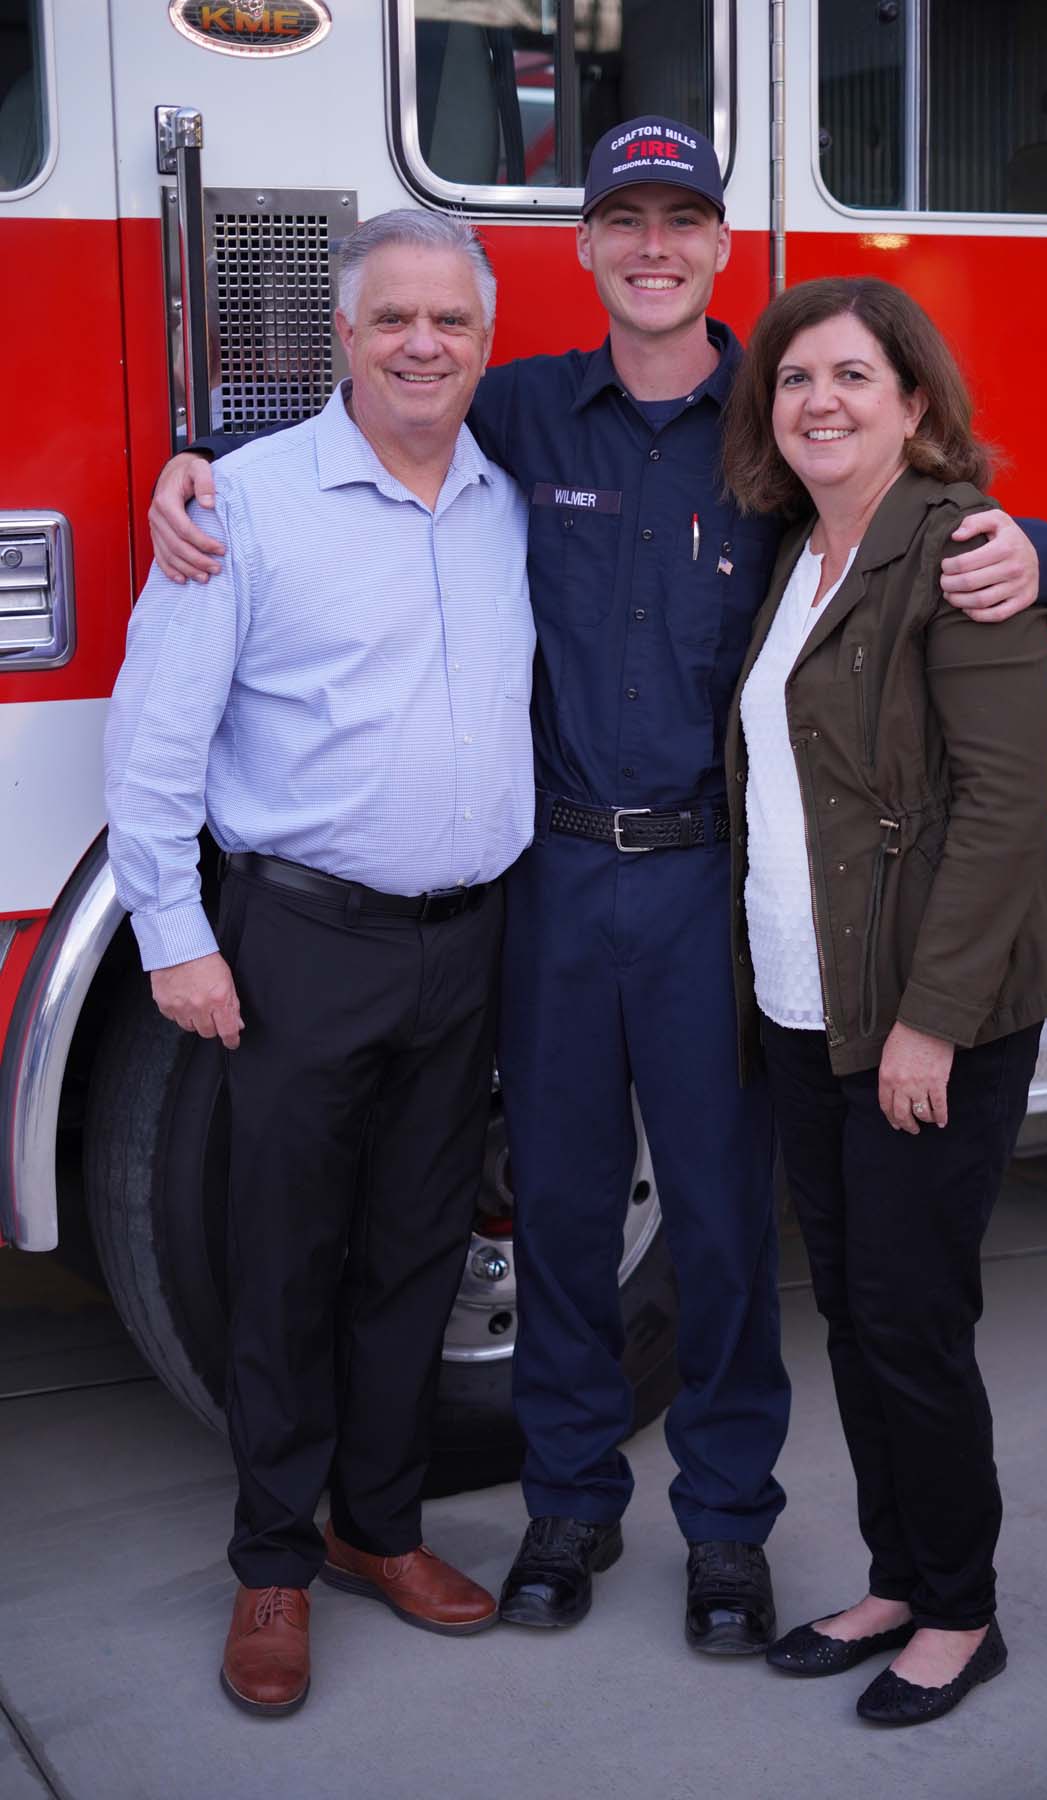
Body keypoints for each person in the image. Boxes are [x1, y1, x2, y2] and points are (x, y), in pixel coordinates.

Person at [146, 119, 1047, 1657]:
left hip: (714, 884)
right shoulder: (516, 408)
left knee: (718, 1224)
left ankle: (727, 1530)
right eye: (623, 219)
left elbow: (925, 509)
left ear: (723, 249)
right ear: (577, 250)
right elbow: (370, 414)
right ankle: (570, 1507)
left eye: (683, 220)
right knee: (564, 1215)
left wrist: (1036, 551)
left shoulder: (778, 428)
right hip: (557, 884)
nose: (653, 245)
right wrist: (201, 472)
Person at [105, 210, 535, 1715]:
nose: (424, 344)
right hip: (302, 938)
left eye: (454, 323)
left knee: (418, 1256)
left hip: (467, 938)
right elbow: (154, 739)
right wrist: (176, 940)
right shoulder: (245, 501)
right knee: (284, 1265)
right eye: (394, 320)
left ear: (487, 342)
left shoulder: (508, 496)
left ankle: (379, 1528)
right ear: (341, 339)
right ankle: (273, 1567)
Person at [721, 276, 1047, 1723]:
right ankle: (897, 1574)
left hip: (934, 1017)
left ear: (915, 403)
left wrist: (929, 1023)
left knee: (913, 1318)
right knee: (861, 1320)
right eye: (796, 379)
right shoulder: (799, 556)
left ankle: (962, 1613)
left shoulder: (962, 548)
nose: (820, 401)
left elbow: (1005, 808)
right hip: (810, 1005)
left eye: (854, 377)